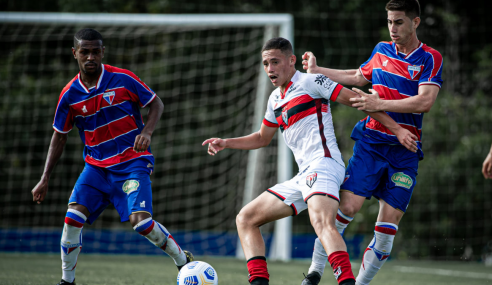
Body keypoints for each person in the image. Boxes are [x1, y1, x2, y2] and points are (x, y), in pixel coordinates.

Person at [203, 37, 417, 285]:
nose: (270, 69)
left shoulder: (311, 81)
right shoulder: (275, 99)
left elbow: (358, 101)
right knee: (246, 218)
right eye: (265, 63)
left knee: (322, 221)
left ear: (291, 60)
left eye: (275, 62)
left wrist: (397, 130)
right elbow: (262, 138)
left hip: (324, 164)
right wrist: (226, 142)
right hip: (303, 175)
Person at [30, 28, 193, 285]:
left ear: (103, 52)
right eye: (85, 52)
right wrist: (44, 178)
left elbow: (156, 103)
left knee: (141, 224)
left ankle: (182, 260)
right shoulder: (69, 95)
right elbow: (59, 136)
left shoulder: (123, 79)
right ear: (75, 54)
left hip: (132, 163)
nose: (91, 56)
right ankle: (67, 281)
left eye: (96, 51)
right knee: (72, 219)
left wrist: (147, 132)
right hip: (95, 168)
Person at [300, 1, 443, 284]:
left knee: (386, 230)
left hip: (405, 151)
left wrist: (380, 101)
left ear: (415, 22)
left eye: (399, 22)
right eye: (390, 21)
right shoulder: (381, 50)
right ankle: (315, 271)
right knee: (347, 208)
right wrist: (318, 70)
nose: (393, 28)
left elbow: (425, 101)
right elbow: (356, 76)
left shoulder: (430, 58)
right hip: (372, 142)